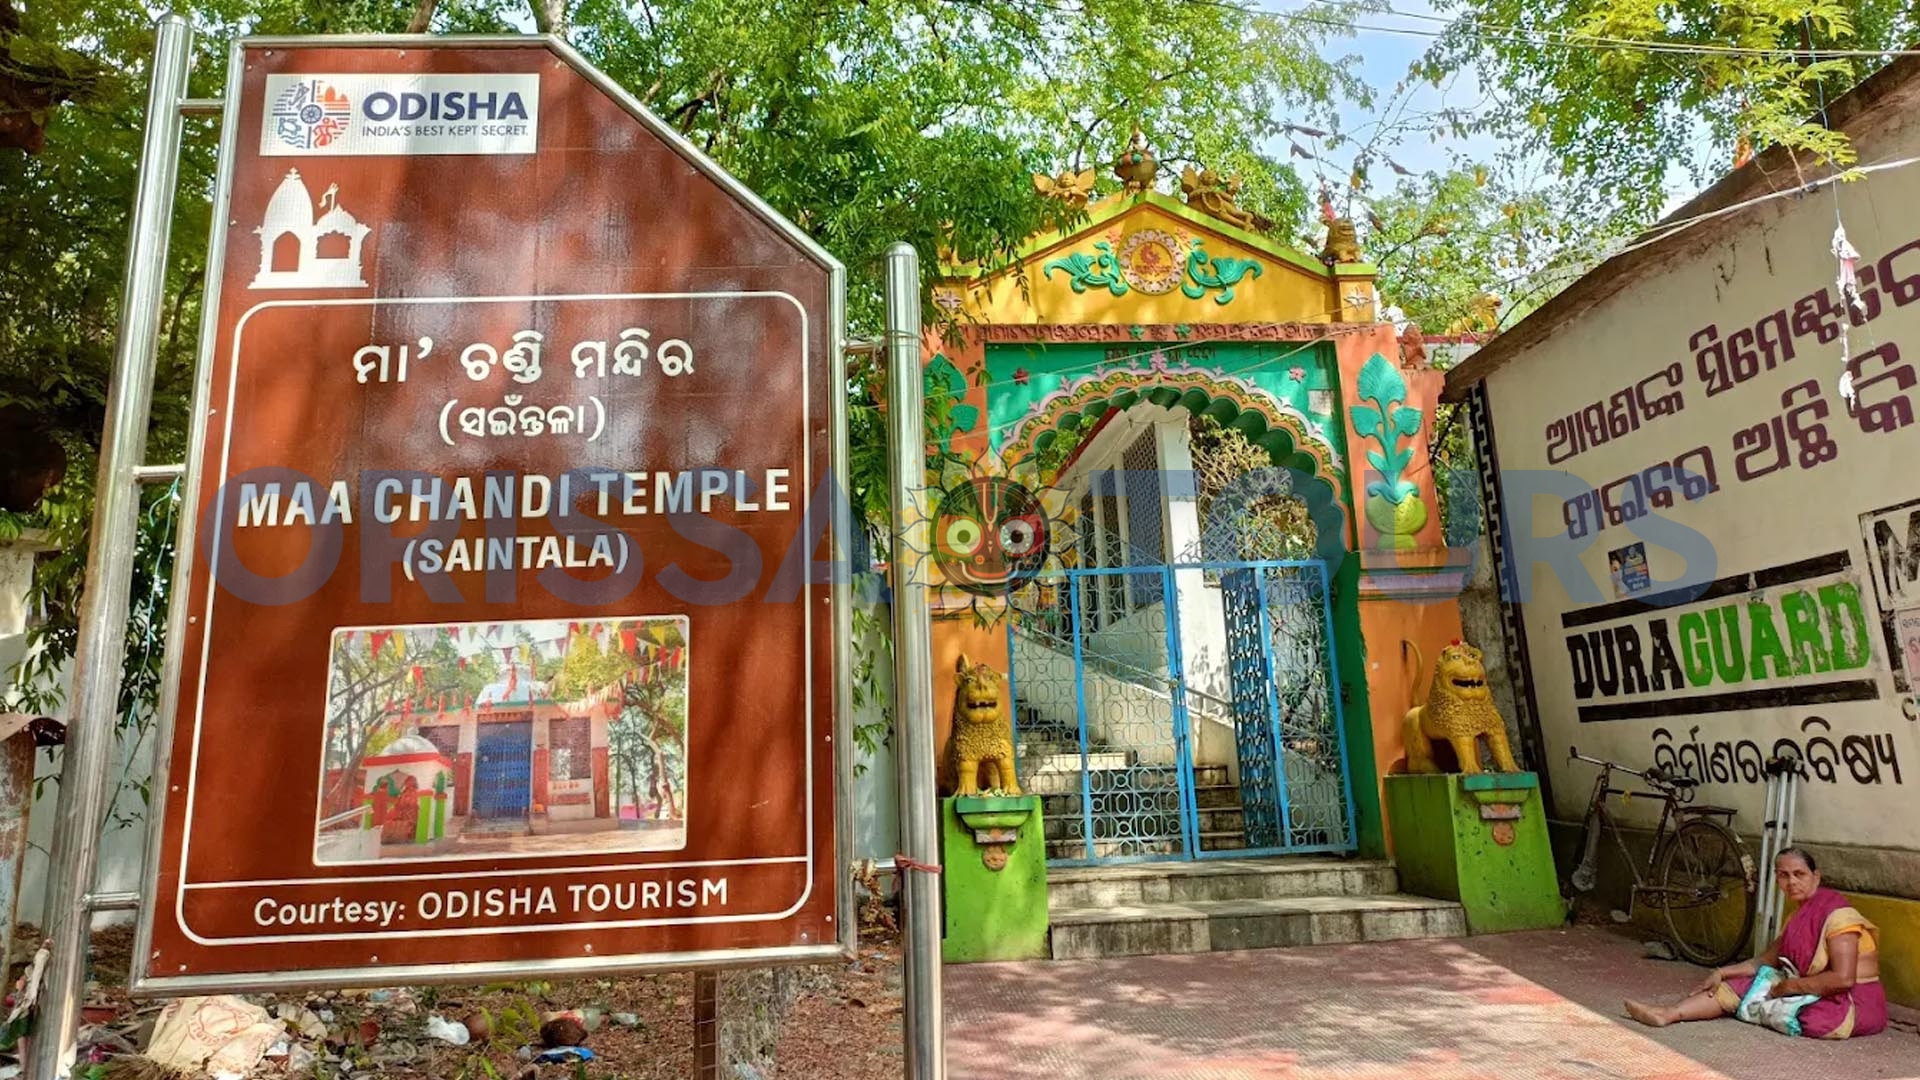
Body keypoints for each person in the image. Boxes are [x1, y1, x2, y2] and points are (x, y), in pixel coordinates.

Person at [1624, 848, 1887, 1039]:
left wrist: (1788, 987)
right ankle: (1669, 1013)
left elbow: (1843, 979)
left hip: (1852, 1002)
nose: (1791, 882)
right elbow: (1765, 960)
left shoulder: (1837, 915)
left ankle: (1762, 1004)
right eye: (1783, 875)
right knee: (1738, 986)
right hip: (1811, 988)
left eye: (1799, 874)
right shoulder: (1798, 915)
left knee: (1800, 1015)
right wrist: (1721, 972)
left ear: (1815, 877)